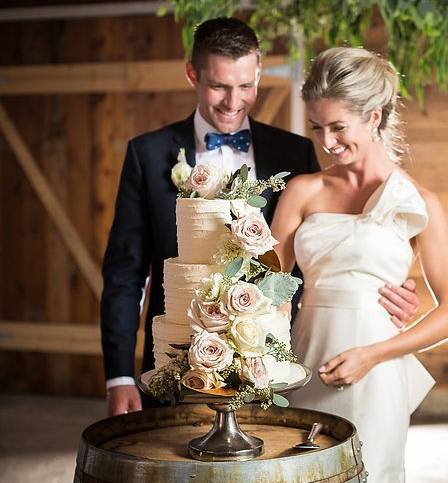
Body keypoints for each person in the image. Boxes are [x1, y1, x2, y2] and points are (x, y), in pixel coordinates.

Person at [101, 18, 420, 417]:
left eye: (246, 86)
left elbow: (323, 249)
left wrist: (384, 287)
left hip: (276, 363)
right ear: (192, 74)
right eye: (218, 86)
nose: (233, 102)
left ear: (258, 73)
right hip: (177, 365)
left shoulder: (295, 152)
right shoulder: (147, 156)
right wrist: (119, 376)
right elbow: (124, 272)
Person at [270, 47, 448, 483]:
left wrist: (376, 354)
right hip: (304, 364)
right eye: (316, 127)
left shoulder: (419, 203)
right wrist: (260, 363)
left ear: (374, 116)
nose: (327, 141)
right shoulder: (303, 190)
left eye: (338, 126)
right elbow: (267, 291)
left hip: (376, 378)